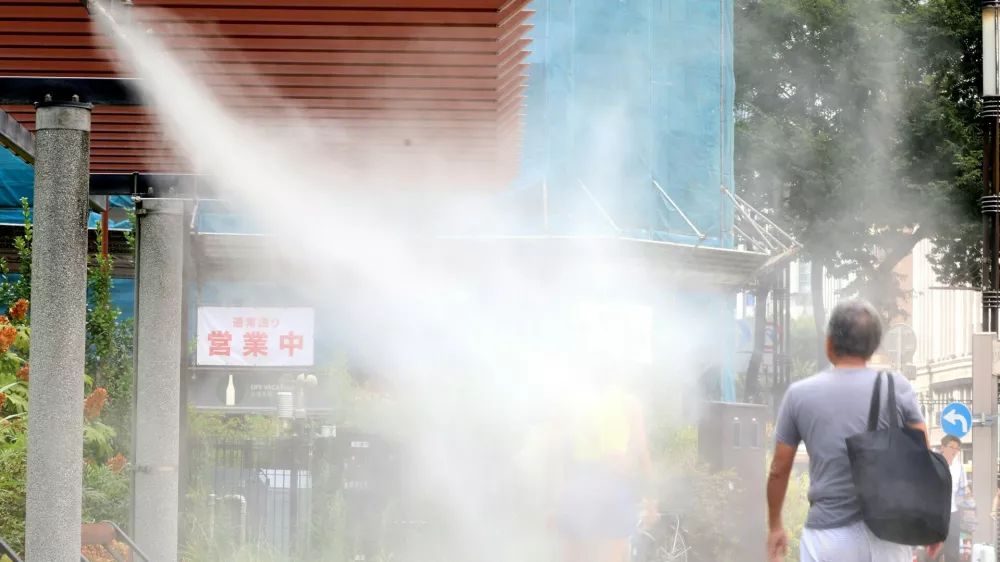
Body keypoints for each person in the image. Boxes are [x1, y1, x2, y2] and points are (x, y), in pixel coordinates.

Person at [766, 299, 942, 562]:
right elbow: (924, 459)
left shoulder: (799, 395)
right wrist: (931, 522)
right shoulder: (897, 387)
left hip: (828, 537)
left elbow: (779, 469)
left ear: (829, 344)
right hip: (889, 535)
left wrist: (776, 525)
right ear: (873, 347)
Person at [549, 357, 659, 562]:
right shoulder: (629, 403)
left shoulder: (572, 403)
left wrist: (554, 504)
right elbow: (643, 453)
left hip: (578, 488)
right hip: (613, 489)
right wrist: (651, 501)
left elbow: (558, 454)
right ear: (618, 373)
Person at [940, 435, 970, 562]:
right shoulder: (932, 464)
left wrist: (967, 493)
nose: (954, 451)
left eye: (957, 448)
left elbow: (964, 488)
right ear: (942, 447)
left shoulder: (960, 468)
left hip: (954, 514)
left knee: (952, 550)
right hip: (936, 515)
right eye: (951, 447)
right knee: (933, 551)